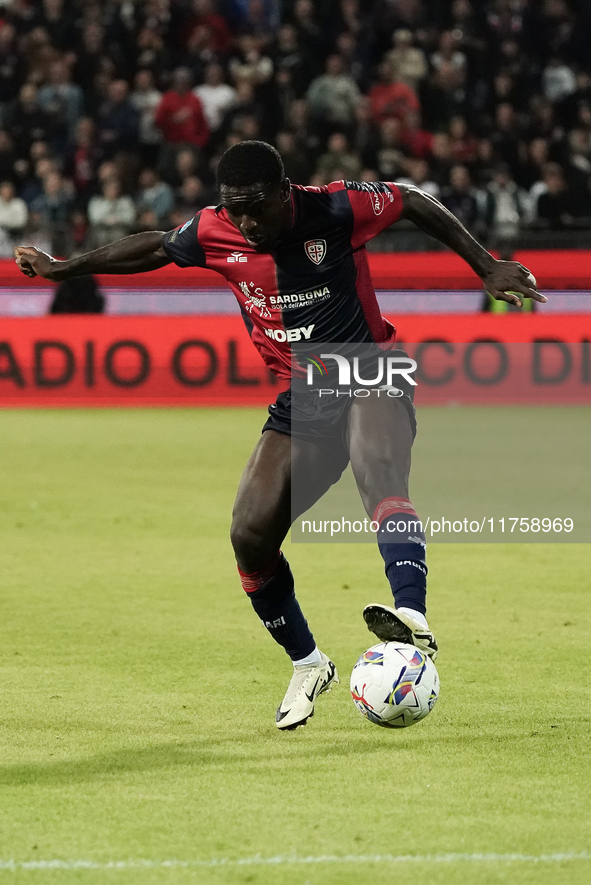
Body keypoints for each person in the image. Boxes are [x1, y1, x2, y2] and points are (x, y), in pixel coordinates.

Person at [15, 141, 544, 730]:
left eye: (258, 208)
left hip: (370, 366)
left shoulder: (337, 209)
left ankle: (411, 616)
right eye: (235, 209)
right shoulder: (217, 231)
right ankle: (309, 662)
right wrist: (68, 266)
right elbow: (157, 247)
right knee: (250, 534)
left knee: (377, 468)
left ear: (284, 193)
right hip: (305, 392)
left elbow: (416, 202)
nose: (247, 222)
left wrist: (486, 264)